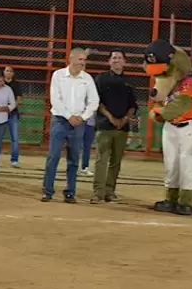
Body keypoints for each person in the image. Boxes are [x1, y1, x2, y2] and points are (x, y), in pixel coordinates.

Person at [42, 47, 98, 203]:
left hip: (78, 124)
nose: (83, 63)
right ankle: (47, 191)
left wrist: (83, 117)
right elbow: (55, 100)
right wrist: (69, 116)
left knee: (74, 159)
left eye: (84, 60)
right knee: (53, 157)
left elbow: (94, 101)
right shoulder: (58, 76)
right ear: (71, 59)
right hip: (60, 121)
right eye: (80, 59)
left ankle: (70, 192)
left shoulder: (87, 79)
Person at [91, 50, 137, 204]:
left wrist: (124, 119)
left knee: (116, 161)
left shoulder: (129, 82)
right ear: (109, 61)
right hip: (104, 126)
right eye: (114, 58)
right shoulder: (101, 79)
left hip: (122, 128)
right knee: (101, 160)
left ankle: (110, 191)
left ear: (124, 62)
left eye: (119, 58)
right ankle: (98, 192)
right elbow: (96, 101)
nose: (116, 60)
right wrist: (111, 117)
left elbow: (133, 106)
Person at [3, 66, 23, 167]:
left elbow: (19, 99)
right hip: (0, 114)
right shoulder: (0, 83)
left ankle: (14, 160)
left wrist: (10, 108)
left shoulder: (16, 84)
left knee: (14, 138)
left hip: (12, 113)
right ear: (4, 72)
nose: (9, 73)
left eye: (10, 71)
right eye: (7, 71)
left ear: (13, 73)